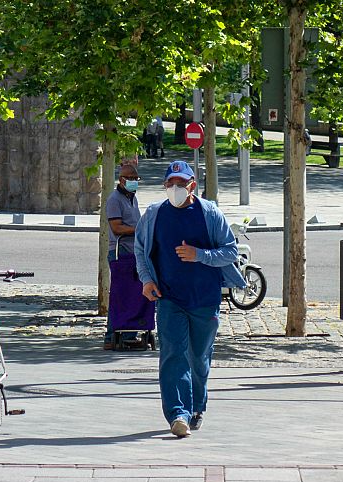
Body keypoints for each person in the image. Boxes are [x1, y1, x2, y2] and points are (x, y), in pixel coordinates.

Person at [134, 160, 245, 438]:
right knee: (172, 355)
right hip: (169, 298)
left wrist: (200, 255)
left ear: (192, 185)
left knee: (198, 357)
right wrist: (147, 280)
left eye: (181, 184)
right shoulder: (154, 215)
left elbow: (231, 251)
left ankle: (197, 406)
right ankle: (177, 414)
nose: (175, 189)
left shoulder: (210, 214)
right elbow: (140, 250)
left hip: (205, 299)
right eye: (170, 184)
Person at [104, 163, 143, 350]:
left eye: (136, 178)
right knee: (120, 294)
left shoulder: (132, 198)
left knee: (133, 294)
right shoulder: (115, 200)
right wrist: (139, 230)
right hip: (121, 252)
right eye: (131, 178)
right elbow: (116, 227)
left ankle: (129, 333)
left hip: (133, 251)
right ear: (122, 180)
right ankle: (112, 336)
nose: (135, 181)